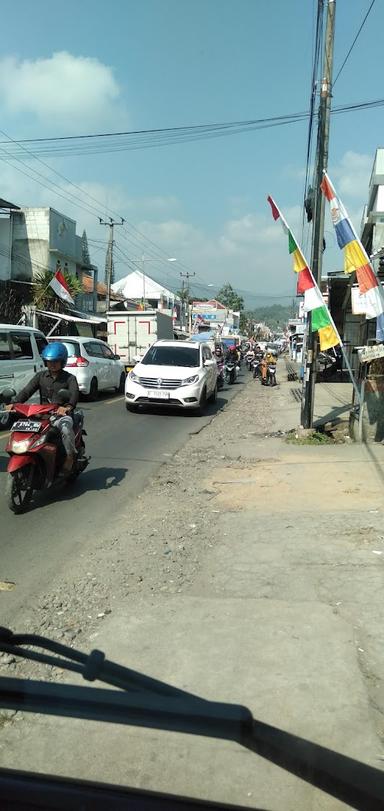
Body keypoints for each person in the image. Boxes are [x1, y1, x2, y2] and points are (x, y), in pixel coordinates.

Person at [6, 342, 79, 475]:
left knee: (66, 429)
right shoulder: (40, 376)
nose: (52, 364)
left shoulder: (69, 378)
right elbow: (27, 391)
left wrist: (67, 407)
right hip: (42, 414)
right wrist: (15, 403)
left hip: (61, 415)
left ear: (62, 362)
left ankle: (69, 457)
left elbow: (74, 395)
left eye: (56, 361)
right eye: (49, 361)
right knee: (23, 429)